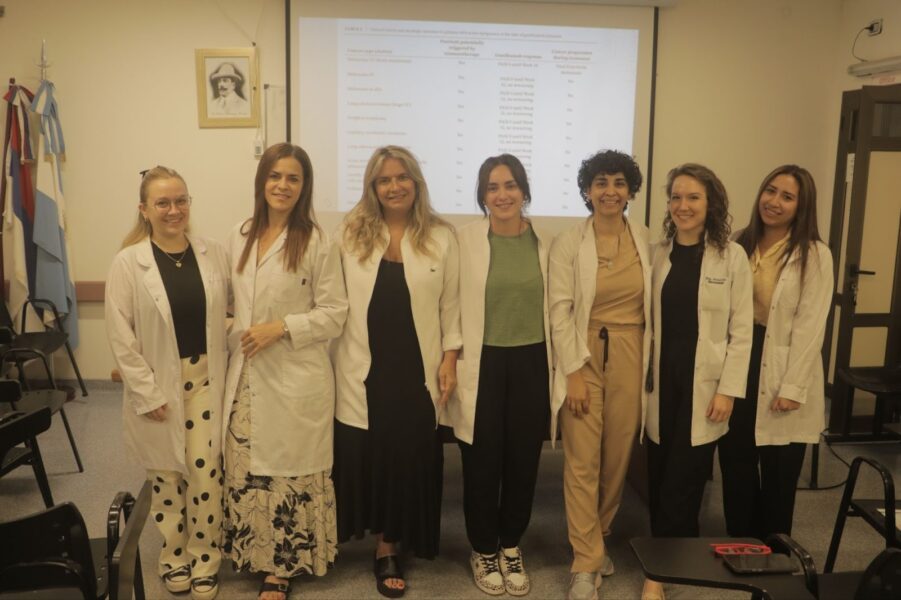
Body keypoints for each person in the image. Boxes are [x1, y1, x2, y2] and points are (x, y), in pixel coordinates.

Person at [332, 145, 461, 598]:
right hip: (363, 362)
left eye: (401, 177)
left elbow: (451, 306)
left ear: (416, 182)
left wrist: (450, 358)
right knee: (365, 450)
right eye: (384, 179)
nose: (394, 186)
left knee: (406, 454)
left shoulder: (441, 236)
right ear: (372, 187)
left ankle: (389, 545)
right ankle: (365, 533)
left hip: (415, 366)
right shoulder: (350, 233)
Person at [221, 143, 347, 600]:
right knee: (245, 468)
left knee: (288, 477)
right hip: (247, 375)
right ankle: (251, 554)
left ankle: (281, 568)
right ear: (262, 181)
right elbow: (228, 300)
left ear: (304, 186)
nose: (282, 185)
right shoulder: (240, 234)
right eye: (275, 176)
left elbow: (335, 314)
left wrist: (283, 327)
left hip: (295, 376)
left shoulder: (317, 241)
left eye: (293, 178)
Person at [106, 166, 229, 600]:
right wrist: (146, 392)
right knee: (166, 478)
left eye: (181, 200)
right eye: (163, 203)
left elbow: (231, 311)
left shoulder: (212, 253)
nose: (173, 210)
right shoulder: (129, 262)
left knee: (205, 475)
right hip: (159, 386)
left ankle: (205, 557)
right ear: (144, 209)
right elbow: (121, 337)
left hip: (206, 382)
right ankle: (174, 556)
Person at [642, 163, 752, 600]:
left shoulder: (731, 256)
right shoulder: (657, 254)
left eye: (693, 197)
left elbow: (741, 330)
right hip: (661, 383)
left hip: (704, 386)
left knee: (683, 479)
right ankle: (672, 556)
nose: (683, 205)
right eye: (676, 197)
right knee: (659, 473)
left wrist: (728, 390)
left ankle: (658, 573)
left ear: (711, 204)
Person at [548, 150, 653, 600]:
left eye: (618, 183)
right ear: (587, 191)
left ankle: (599, 537)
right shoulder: (569, 242)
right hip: (584, 352)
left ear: (630, 191)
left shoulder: (645, 239)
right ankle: (585, 562)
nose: (610, 191)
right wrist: (573, 371)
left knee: (617, 459)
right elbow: (559, 311)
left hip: (631, 352)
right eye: (601, 183)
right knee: (582, 461)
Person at [450, 154, 552, 597]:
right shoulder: (464, 241)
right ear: (482, 195)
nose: (502, 194)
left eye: (510, 185)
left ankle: (511, 544)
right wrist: (449, 357)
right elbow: (450, 304)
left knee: (523, 460)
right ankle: (483, 548)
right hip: (483, 362)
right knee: (481, 460)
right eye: (492, 187)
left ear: (523, 191)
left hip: (531, 361)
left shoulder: (544, 244)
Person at [718, 165, 833, 540]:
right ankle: (740, 544)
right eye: (770, 191)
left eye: (787, 196)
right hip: (741, 362)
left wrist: (793, 388)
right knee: (736, 463)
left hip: (784, 366)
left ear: (802, 206)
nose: (774, 202)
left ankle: (776, 553)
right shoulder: (739, 242)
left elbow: (810, 328)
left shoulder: (814, 255)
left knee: (779, 470)